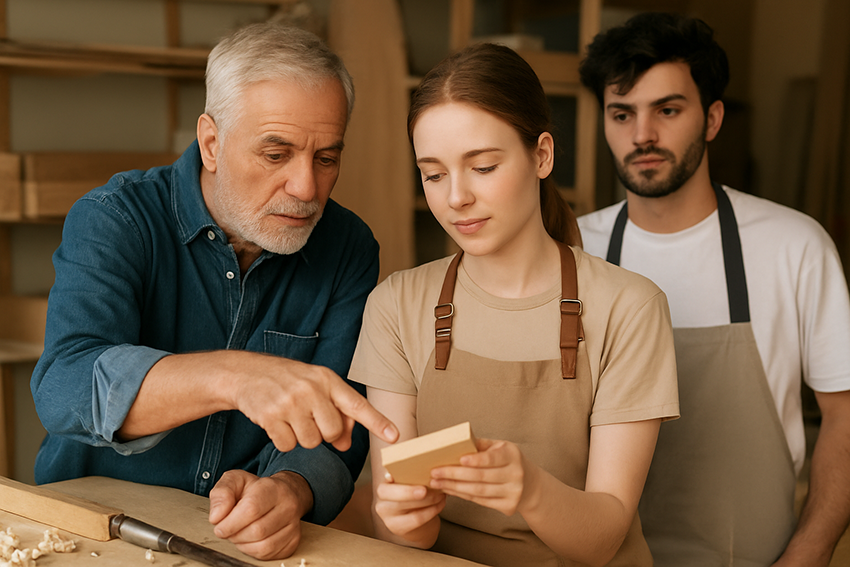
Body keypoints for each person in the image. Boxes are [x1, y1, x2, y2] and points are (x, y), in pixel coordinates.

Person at [30, 22, 398, 561]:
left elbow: (339, 424)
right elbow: (64, 387)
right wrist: (233, 376)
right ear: (211, 142)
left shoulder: (348, 248)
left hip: (240, 549)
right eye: (276, 155)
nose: (306, 188)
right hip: (91, 535)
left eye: (326, 158)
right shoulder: (116, 219)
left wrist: (291, 490)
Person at [348, 42, 679, 567]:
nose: (456, 197)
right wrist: (402, 516)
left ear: (541, 155)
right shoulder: (395, 305)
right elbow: (400, 539)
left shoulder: (630, 308)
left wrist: (531, 491)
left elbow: (603, 540)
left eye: (482, 166)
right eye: (433, 174)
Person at [578, 12, 850, 567]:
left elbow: (845, 416)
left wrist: (812, 549)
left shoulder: (795, 246)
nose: (642, 135)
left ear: (712, 118)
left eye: (668, 110)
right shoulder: (572, 251)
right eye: (622, 113)